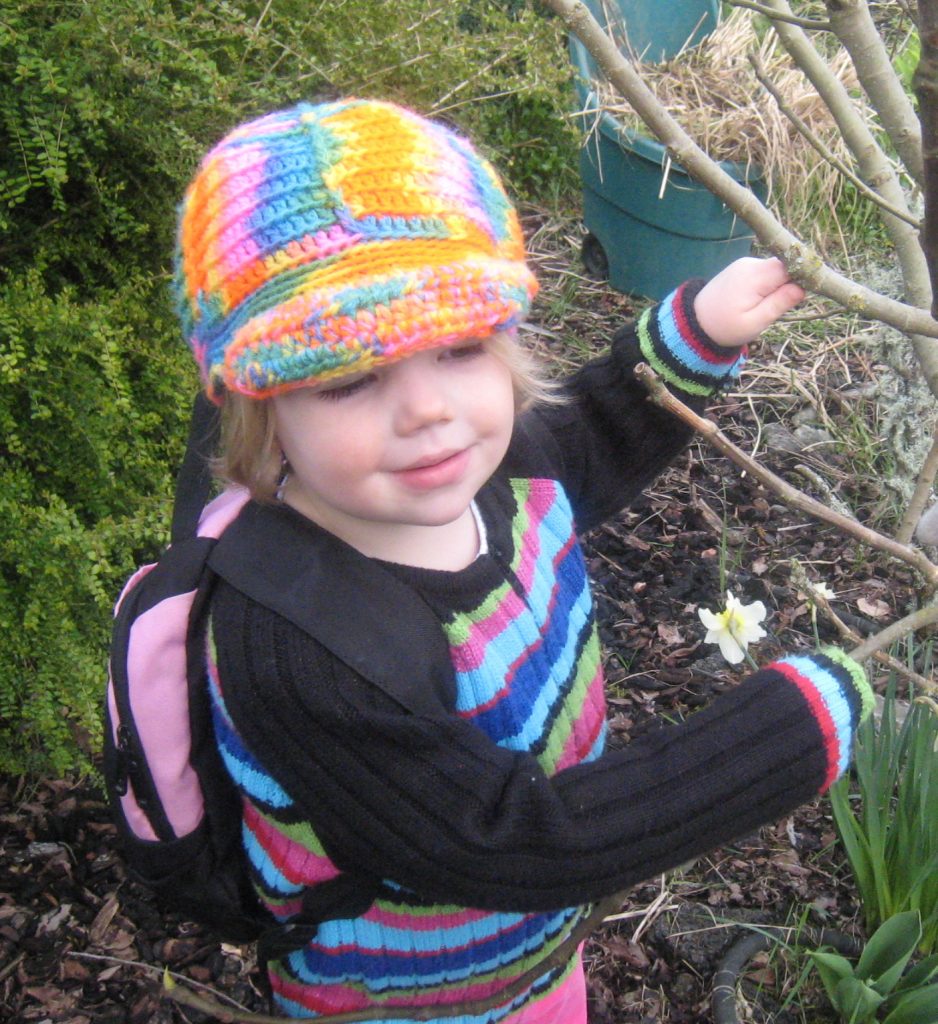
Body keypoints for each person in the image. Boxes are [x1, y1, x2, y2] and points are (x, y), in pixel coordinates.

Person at [172, 97, 872, 1023]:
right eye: (349, 376)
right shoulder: (292, 641)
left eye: (460, 348)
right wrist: (781, 738)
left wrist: (697, 331)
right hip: (408, 997)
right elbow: (500, 841)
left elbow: (590, 441)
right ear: (259, 405)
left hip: (536, 953)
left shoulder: (493, 474)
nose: (429, 412)